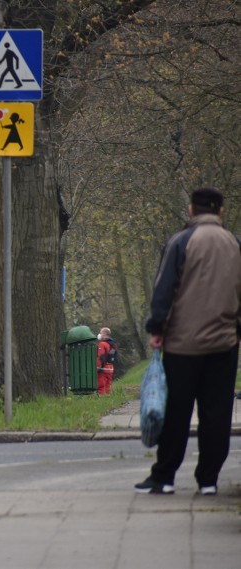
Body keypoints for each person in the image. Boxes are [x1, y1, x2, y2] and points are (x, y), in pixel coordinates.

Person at [135, 186, 241, 496]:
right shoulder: (235, 244)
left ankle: (164, 476)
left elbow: (164, 290)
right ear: (220, 212)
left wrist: (157, 327)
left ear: (192, 210)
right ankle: (208, 479)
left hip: (182, 346)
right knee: (216, 414)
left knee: (177, 413)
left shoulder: (180, 242)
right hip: (224, 345)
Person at [96, 327, 116, 395]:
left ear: (104, 334)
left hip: (103, 368)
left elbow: (101, 356)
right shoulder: (113, 344)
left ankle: (102, 400)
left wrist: (98, 367)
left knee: (101, 386)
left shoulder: (102, 344)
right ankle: (109, 399)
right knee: (108, 386)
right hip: (110, 368)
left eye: (101, 333)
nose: (99, 334)